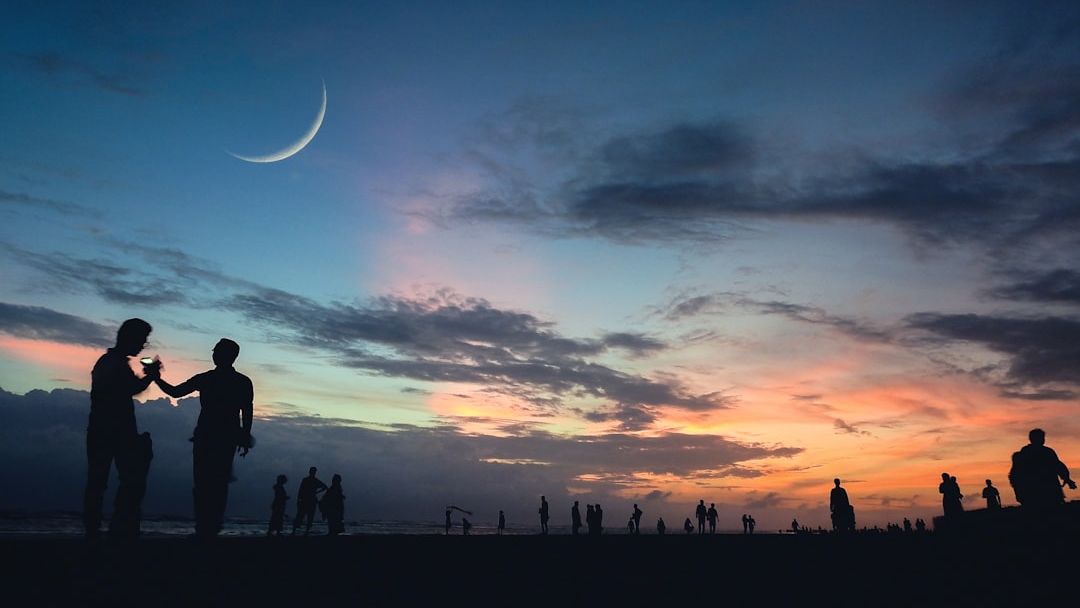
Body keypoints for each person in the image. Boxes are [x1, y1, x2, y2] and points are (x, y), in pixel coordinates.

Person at [153, 338, 254, 538]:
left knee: (203, 483)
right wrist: (244, 435)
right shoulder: (242, 381)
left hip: (208, 437)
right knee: (217, 483)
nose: (214, 354)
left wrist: (155, 377)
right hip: (223, 438)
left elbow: (175, 392)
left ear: (226, 355)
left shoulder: (207, 379)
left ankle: (204, 527)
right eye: (215, 350)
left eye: (216, 351)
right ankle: (211, 527)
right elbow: (247, 411)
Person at [84, 318, 157, 540]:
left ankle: (103, 527)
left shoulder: (111, 362)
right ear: (130, 338)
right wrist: (150, 377)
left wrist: (148, 378)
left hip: (106, 430)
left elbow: (127, 389)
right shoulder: (112, 363)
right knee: (117, 480)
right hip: (111, 431)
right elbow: (127, 389)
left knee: (102, 480)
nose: (142, 345)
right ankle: (106, 527)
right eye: (142, 340)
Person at [1009, 428, 1076, 511]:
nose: (1043, 440)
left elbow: (1058, 466)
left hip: (1042, 489)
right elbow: (1058, 466)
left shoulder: (1029, 453)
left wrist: (1067, 479)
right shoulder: (1043, 452)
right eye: (1041, 438)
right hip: (1040, 489)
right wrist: (1067, 479)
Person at [293, 467, 327, 535]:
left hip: (308, 500)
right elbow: (324, 487)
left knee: (304, 516)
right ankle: (301, 531)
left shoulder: (309, 480)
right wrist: (316, 492)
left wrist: (316, 492)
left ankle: (298, 531)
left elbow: (325, 487)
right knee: (303, 516)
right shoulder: (312, 480)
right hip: (308, 500)